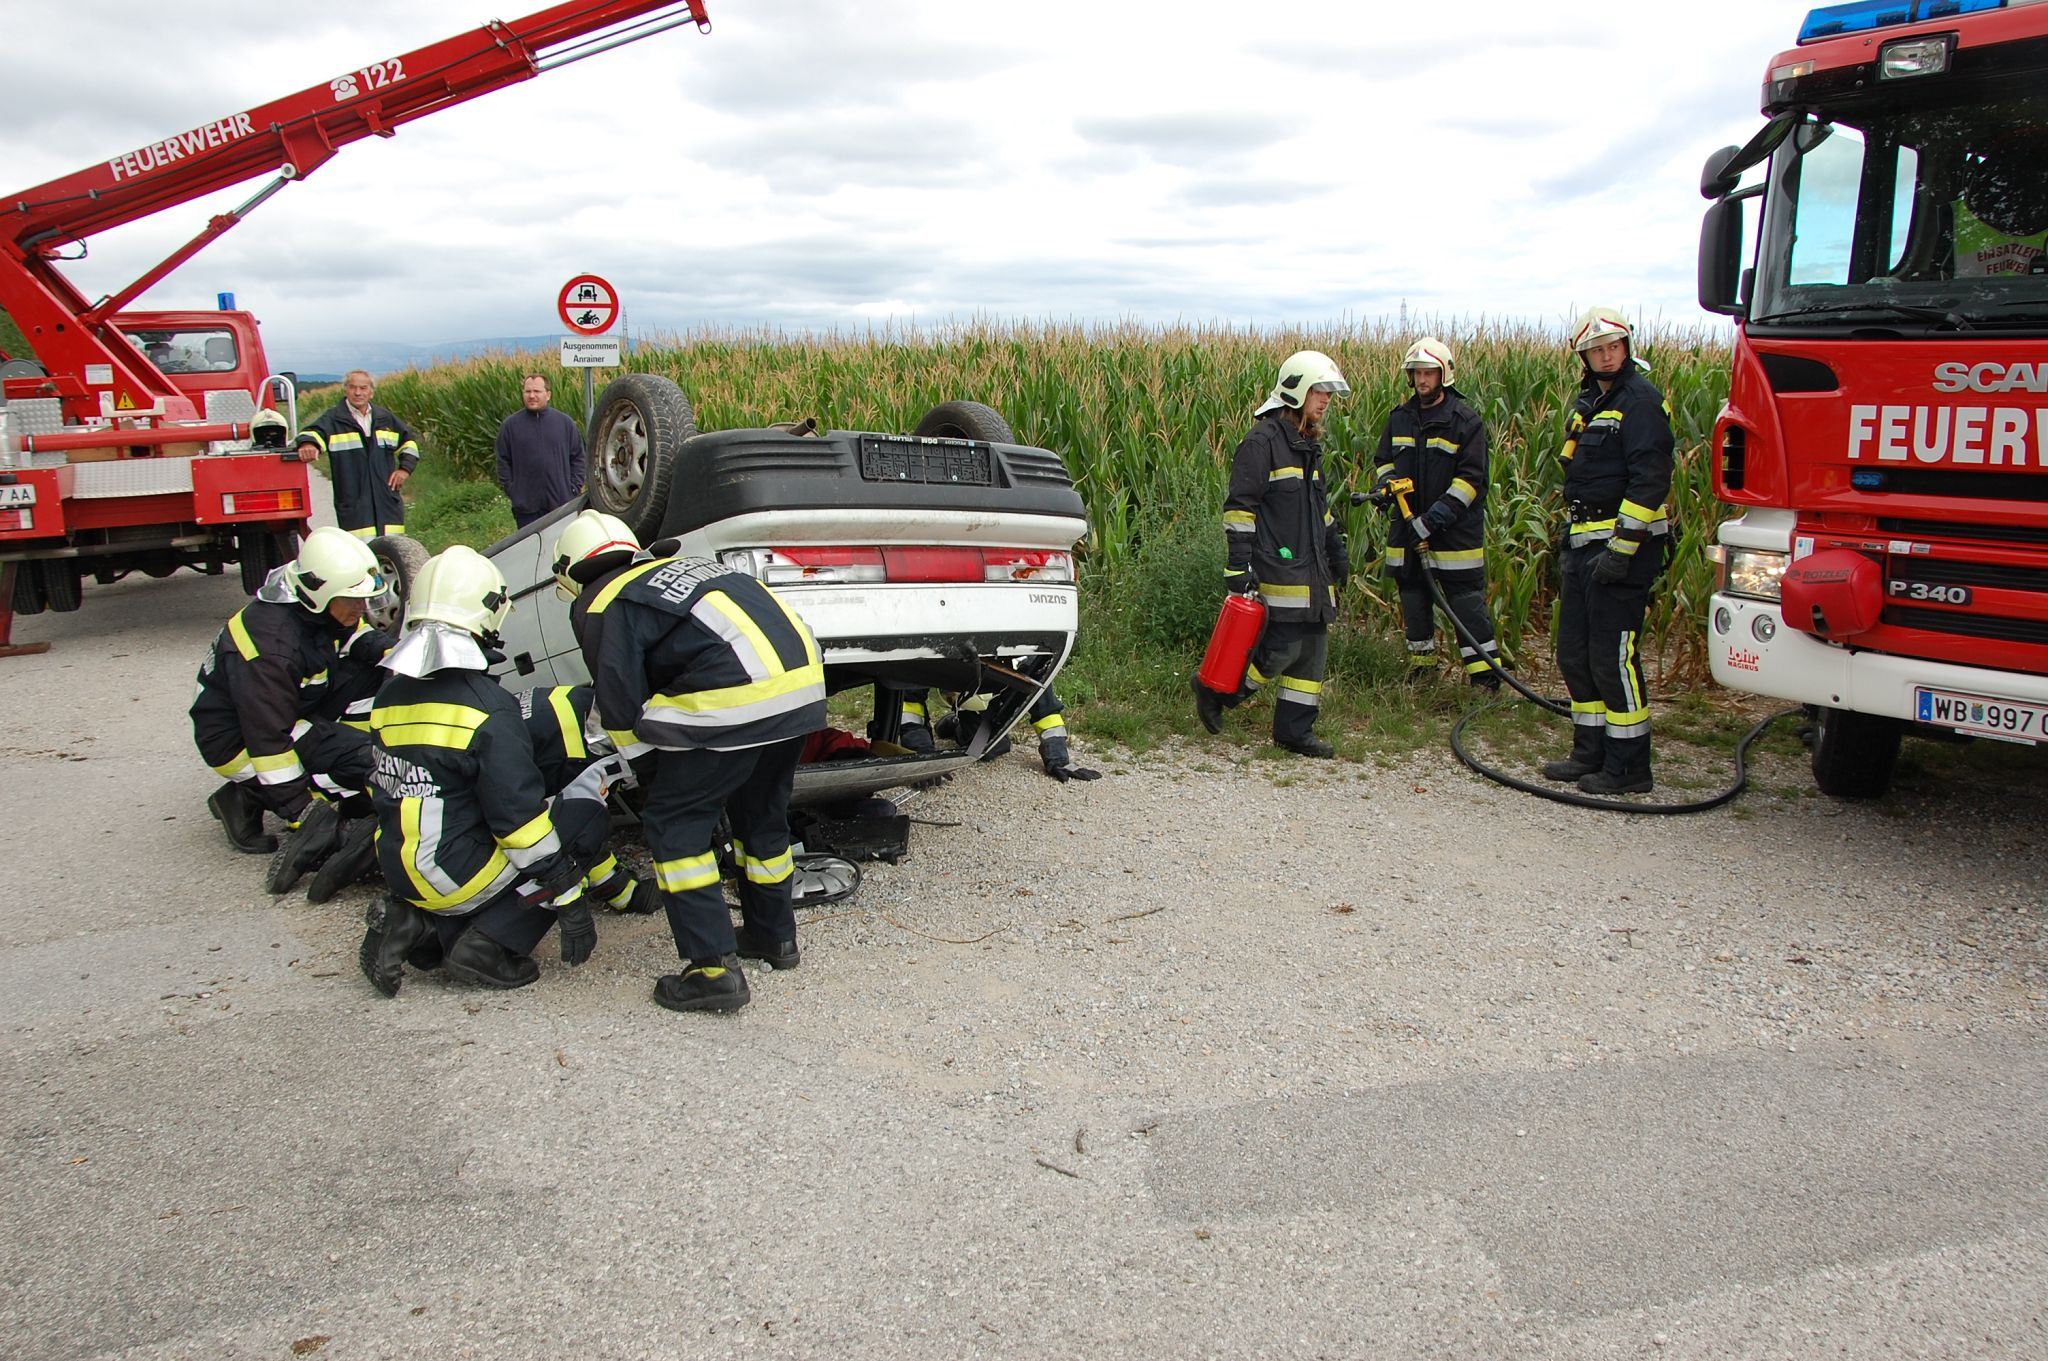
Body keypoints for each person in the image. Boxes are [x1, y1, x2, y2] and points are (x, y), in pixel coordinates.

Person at [553, 508, 827, 1015]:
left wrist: (653, 783)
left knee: (675, 825)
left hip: (736, 698)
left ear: (570, 571)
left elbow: (619, 706)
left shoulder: (601, 601)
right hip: (801, 692)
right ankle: (774, 938)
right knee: (761, 814)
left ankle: (712, 971)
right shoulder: (686, 569)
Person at [357, 546, 627, 996]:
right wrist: (570, 895)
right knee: (581, 817)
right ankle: (489, 944)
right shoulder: (488, 710)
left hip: (400, 866)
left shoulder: (389, 696)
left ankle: (416, 924)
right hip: (454, 873)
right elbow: (519, 824)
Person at [191, 527, 391, 859]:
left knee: (380, 674)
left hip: (291, 703)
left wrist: (397, 655)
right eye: (354, 600)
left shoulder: (312, 599)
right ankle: (247, 799)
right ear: (322, 595)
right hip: (241, 739)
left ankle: (339, 756)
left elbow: (352, 632)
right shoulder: (270, 650)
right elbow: (270, 743)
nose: (362, 607)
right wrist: (306, 816)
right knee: (352, 777)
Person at [1191, 349, 1351, 757]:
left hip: (1312, 567)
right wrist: (1237, 566)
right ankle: (1217, 693)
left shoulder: (1306, 446)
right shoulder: (1262, 442)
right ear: (1296, 391)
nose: (1326, 400)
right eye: (1319, 391)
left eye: (1328, 393)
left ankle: (1294, 732)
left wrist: (1337, 553)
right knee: (1283, 648)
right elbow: (1240, 510)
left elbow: (1321, 512)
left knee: (1311, 651)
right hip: (1279, 566)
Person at [1542, 307, 1674, 796]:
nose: (1605, 355)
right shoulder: (1592, 403)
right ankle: (1589, 752)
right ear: (1585, 357)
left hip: (1623, 549)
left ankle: (1629, 767)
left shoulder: (1639, 401)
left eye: (1612, 347)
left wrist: (1623, 548)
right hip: (1583, 544)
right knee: (1575, 653)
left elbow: (1651, 478)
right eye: (1596, 350)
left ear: (1626, 348)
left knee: (1613, 656)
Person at [1371, 337, 1502, 688]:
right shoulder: (1399, 419)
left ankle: (1485, 680)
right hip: (1407, 532)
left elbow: (1471, 480)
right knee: (1413, 599)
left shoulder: (1464, 421)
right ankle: (1422, 674)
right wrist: (1387, 489)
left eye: (1429, 372)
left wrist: (1434, 520)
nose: (1422, 380)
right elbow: (1383, 461)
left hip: (1454, 536)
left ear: (1444, 374)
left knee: (1467, 607)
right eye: (1416, 373)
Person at [293, 370, 420, 540]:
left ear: (371, 392)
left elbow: (409, 443)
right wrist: (308, 444)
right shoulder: (334, 419)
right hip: (354, 501)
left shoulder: (385, 418)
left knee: (393, 550)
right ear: (345, 390)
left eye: (363, 388)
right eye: (353, 387)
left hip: (387, 501)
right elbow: (312, 433)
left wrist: (404, 470)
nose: (358, 392)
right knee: (359, 554)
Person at [887, 685, 1100, 781]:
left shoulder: (1021, 647)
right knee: (984, 748)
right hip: (959, 686)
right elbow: (909, 702)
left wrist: (1058, 757)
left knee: (993, 747)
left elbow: (1043, 704)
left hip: (995, 691)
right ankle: (959, 721)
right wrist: (921, 754)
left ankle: (955, 725)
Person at [494, 373, 587, 528]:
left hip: (560, 505)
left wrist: (573, 488)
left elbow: (578, 457)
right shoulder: (511, 426)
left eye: (537, 391)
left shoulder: (564, 423)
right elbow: (503, 461)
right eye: (527, 391)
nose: (532, 396)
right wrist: (514, 491)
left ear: (548, 394)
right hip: (527, 509)